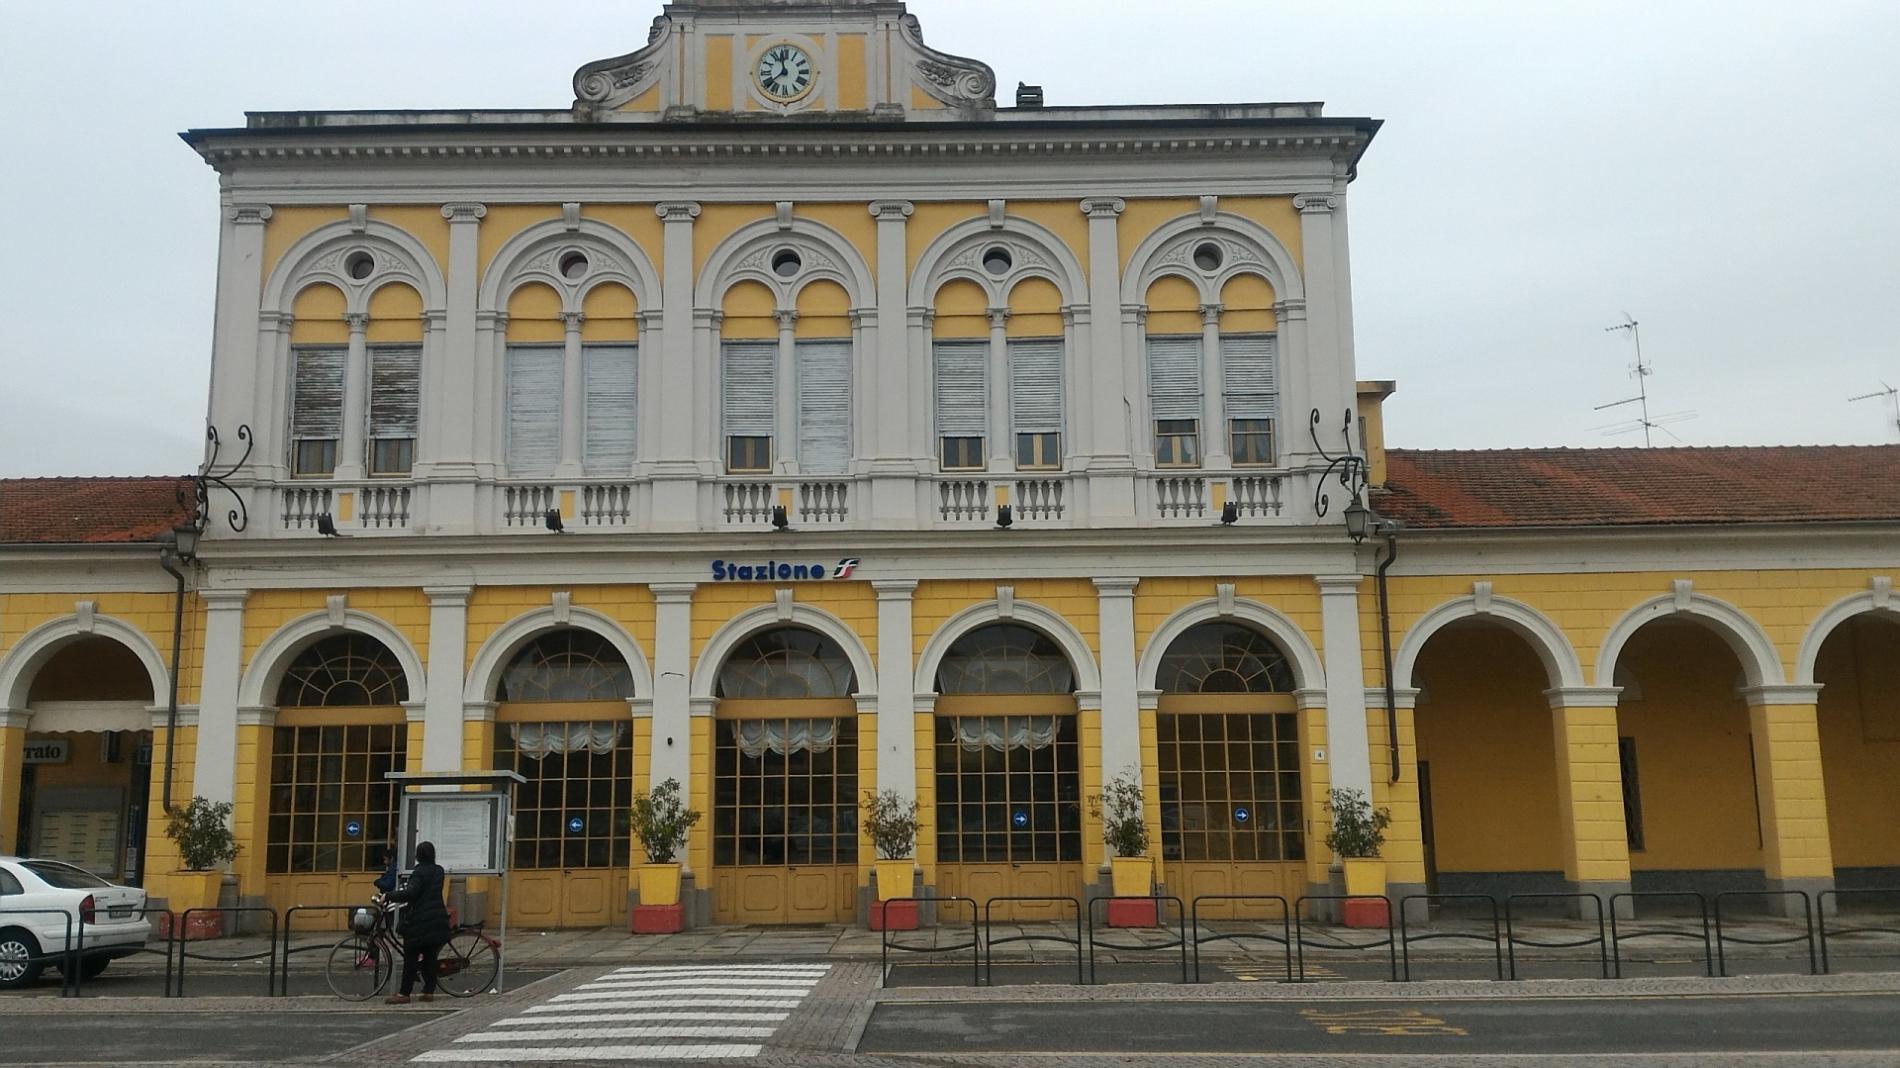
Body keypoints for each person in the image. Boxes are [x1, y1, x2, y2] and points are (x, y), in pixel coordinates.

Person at [382, 840, 450, 1005]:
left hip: (420, 920)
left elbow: (411, 893)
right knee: (430, 957)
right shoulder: (439, 871)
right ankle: (428, 991)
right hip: (437, 918)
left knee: (411, 957)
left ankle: (404, 993)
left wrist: (389, 895)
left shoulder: (419, 872)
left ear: (418, 856)